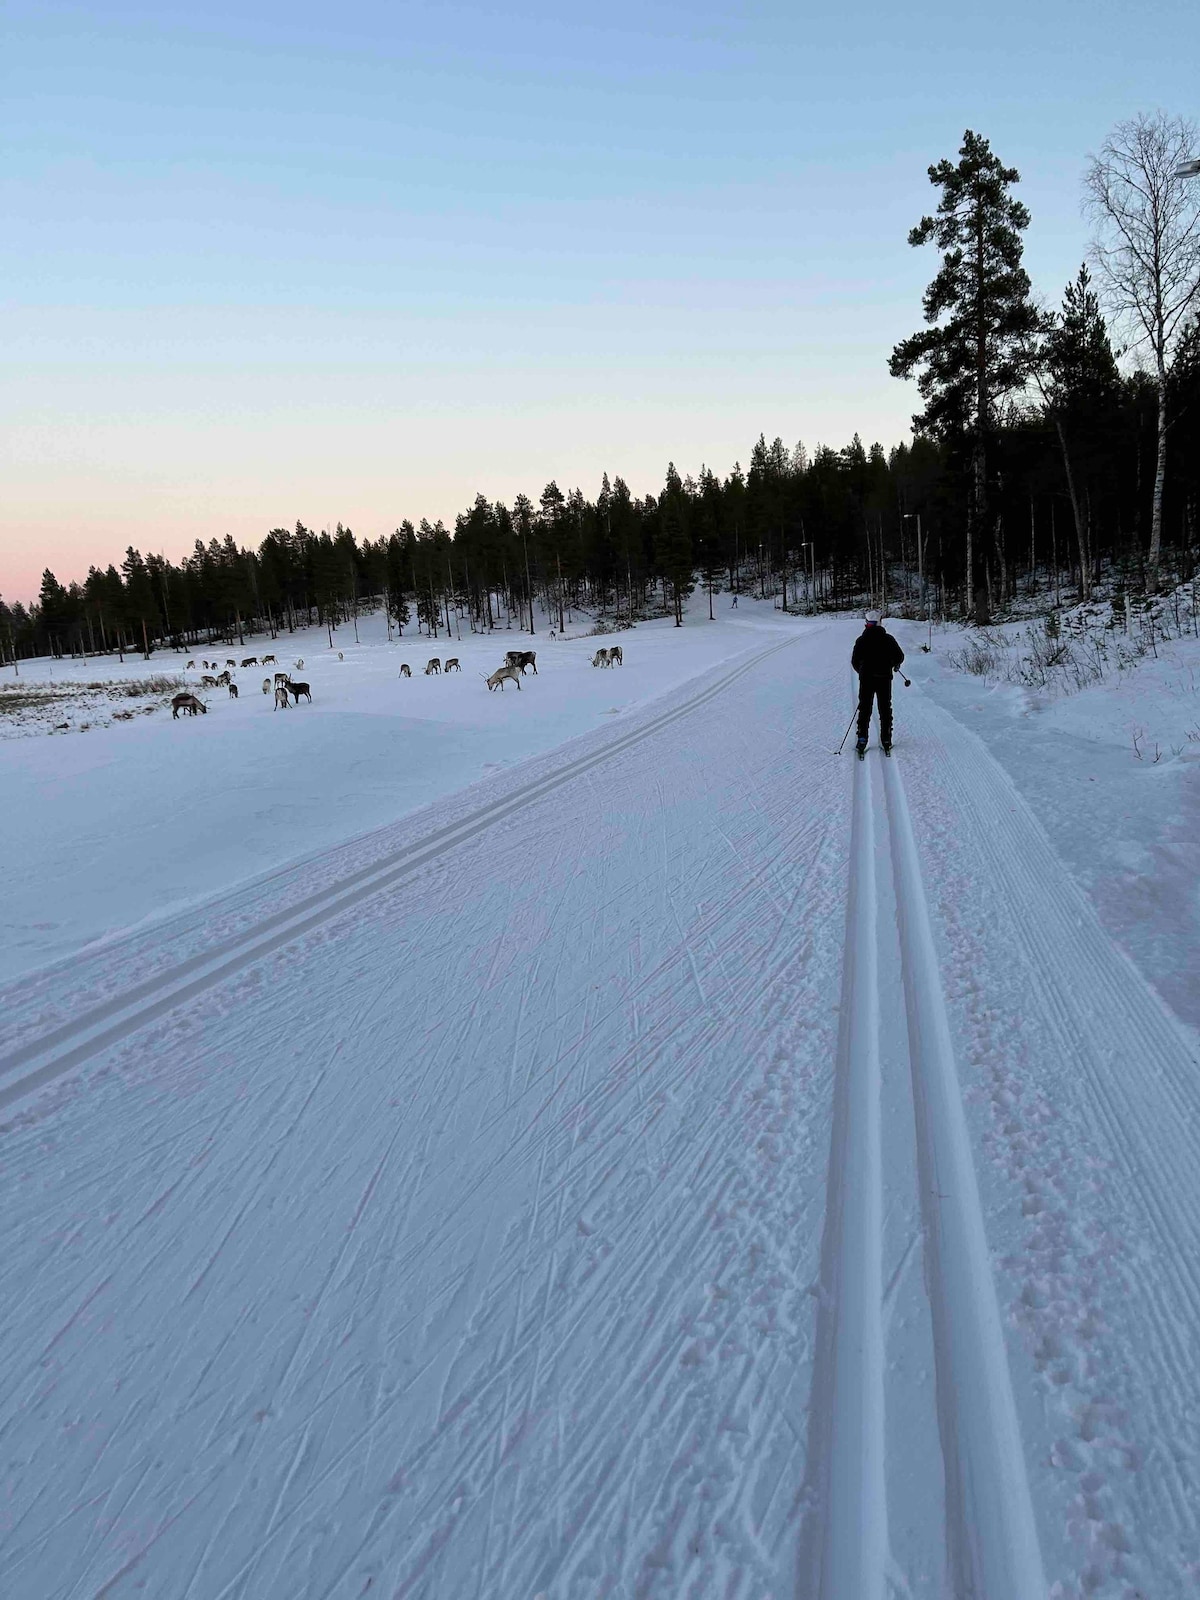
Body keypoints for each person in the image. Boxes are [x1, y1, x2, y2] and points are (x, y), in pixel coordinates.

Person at [851, 611, 905, 755]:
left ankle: (862, 739)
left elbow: (855, 662)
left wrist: (862, 671)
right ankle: (886, 739)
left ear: (867, 623)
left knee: (864, 709)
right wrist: (894, 664)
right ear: (880, 622)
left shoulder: (861, 640)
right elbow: (899, 656)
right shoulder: (888, 639)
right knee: (885, 709)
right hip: (884, 679)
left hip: (866, 679)